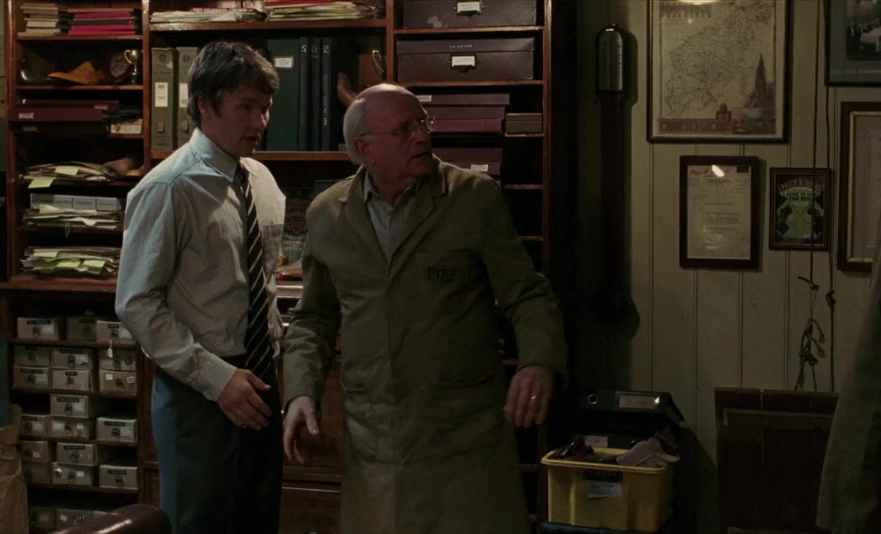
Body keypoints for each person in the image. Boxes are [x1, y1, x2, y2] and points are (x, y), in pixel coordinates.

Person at [281, 83, 568, 533]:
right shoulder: (327, 215)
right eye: (403, 129)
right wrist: (301, 393)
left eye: (422, 123)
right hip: (375, 448)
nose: (422, 136)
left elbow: (528, 294)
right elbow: (313, 320)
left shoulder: (471, 198)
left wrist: (538, 361)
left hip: (465, 445)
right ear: (365, 149)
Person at [115, 41, 286, 534]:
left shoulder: (262, 181)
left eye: (265, 108)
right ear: (206, 106)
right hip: (200, 390)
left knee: (258, 520)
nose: (260, 122)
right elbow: (137, 303)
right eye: (246, 108)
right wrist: (217, 378)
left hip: (261, 379)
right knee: (200, 523)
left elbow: (264, 281)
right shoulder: (169, 187)